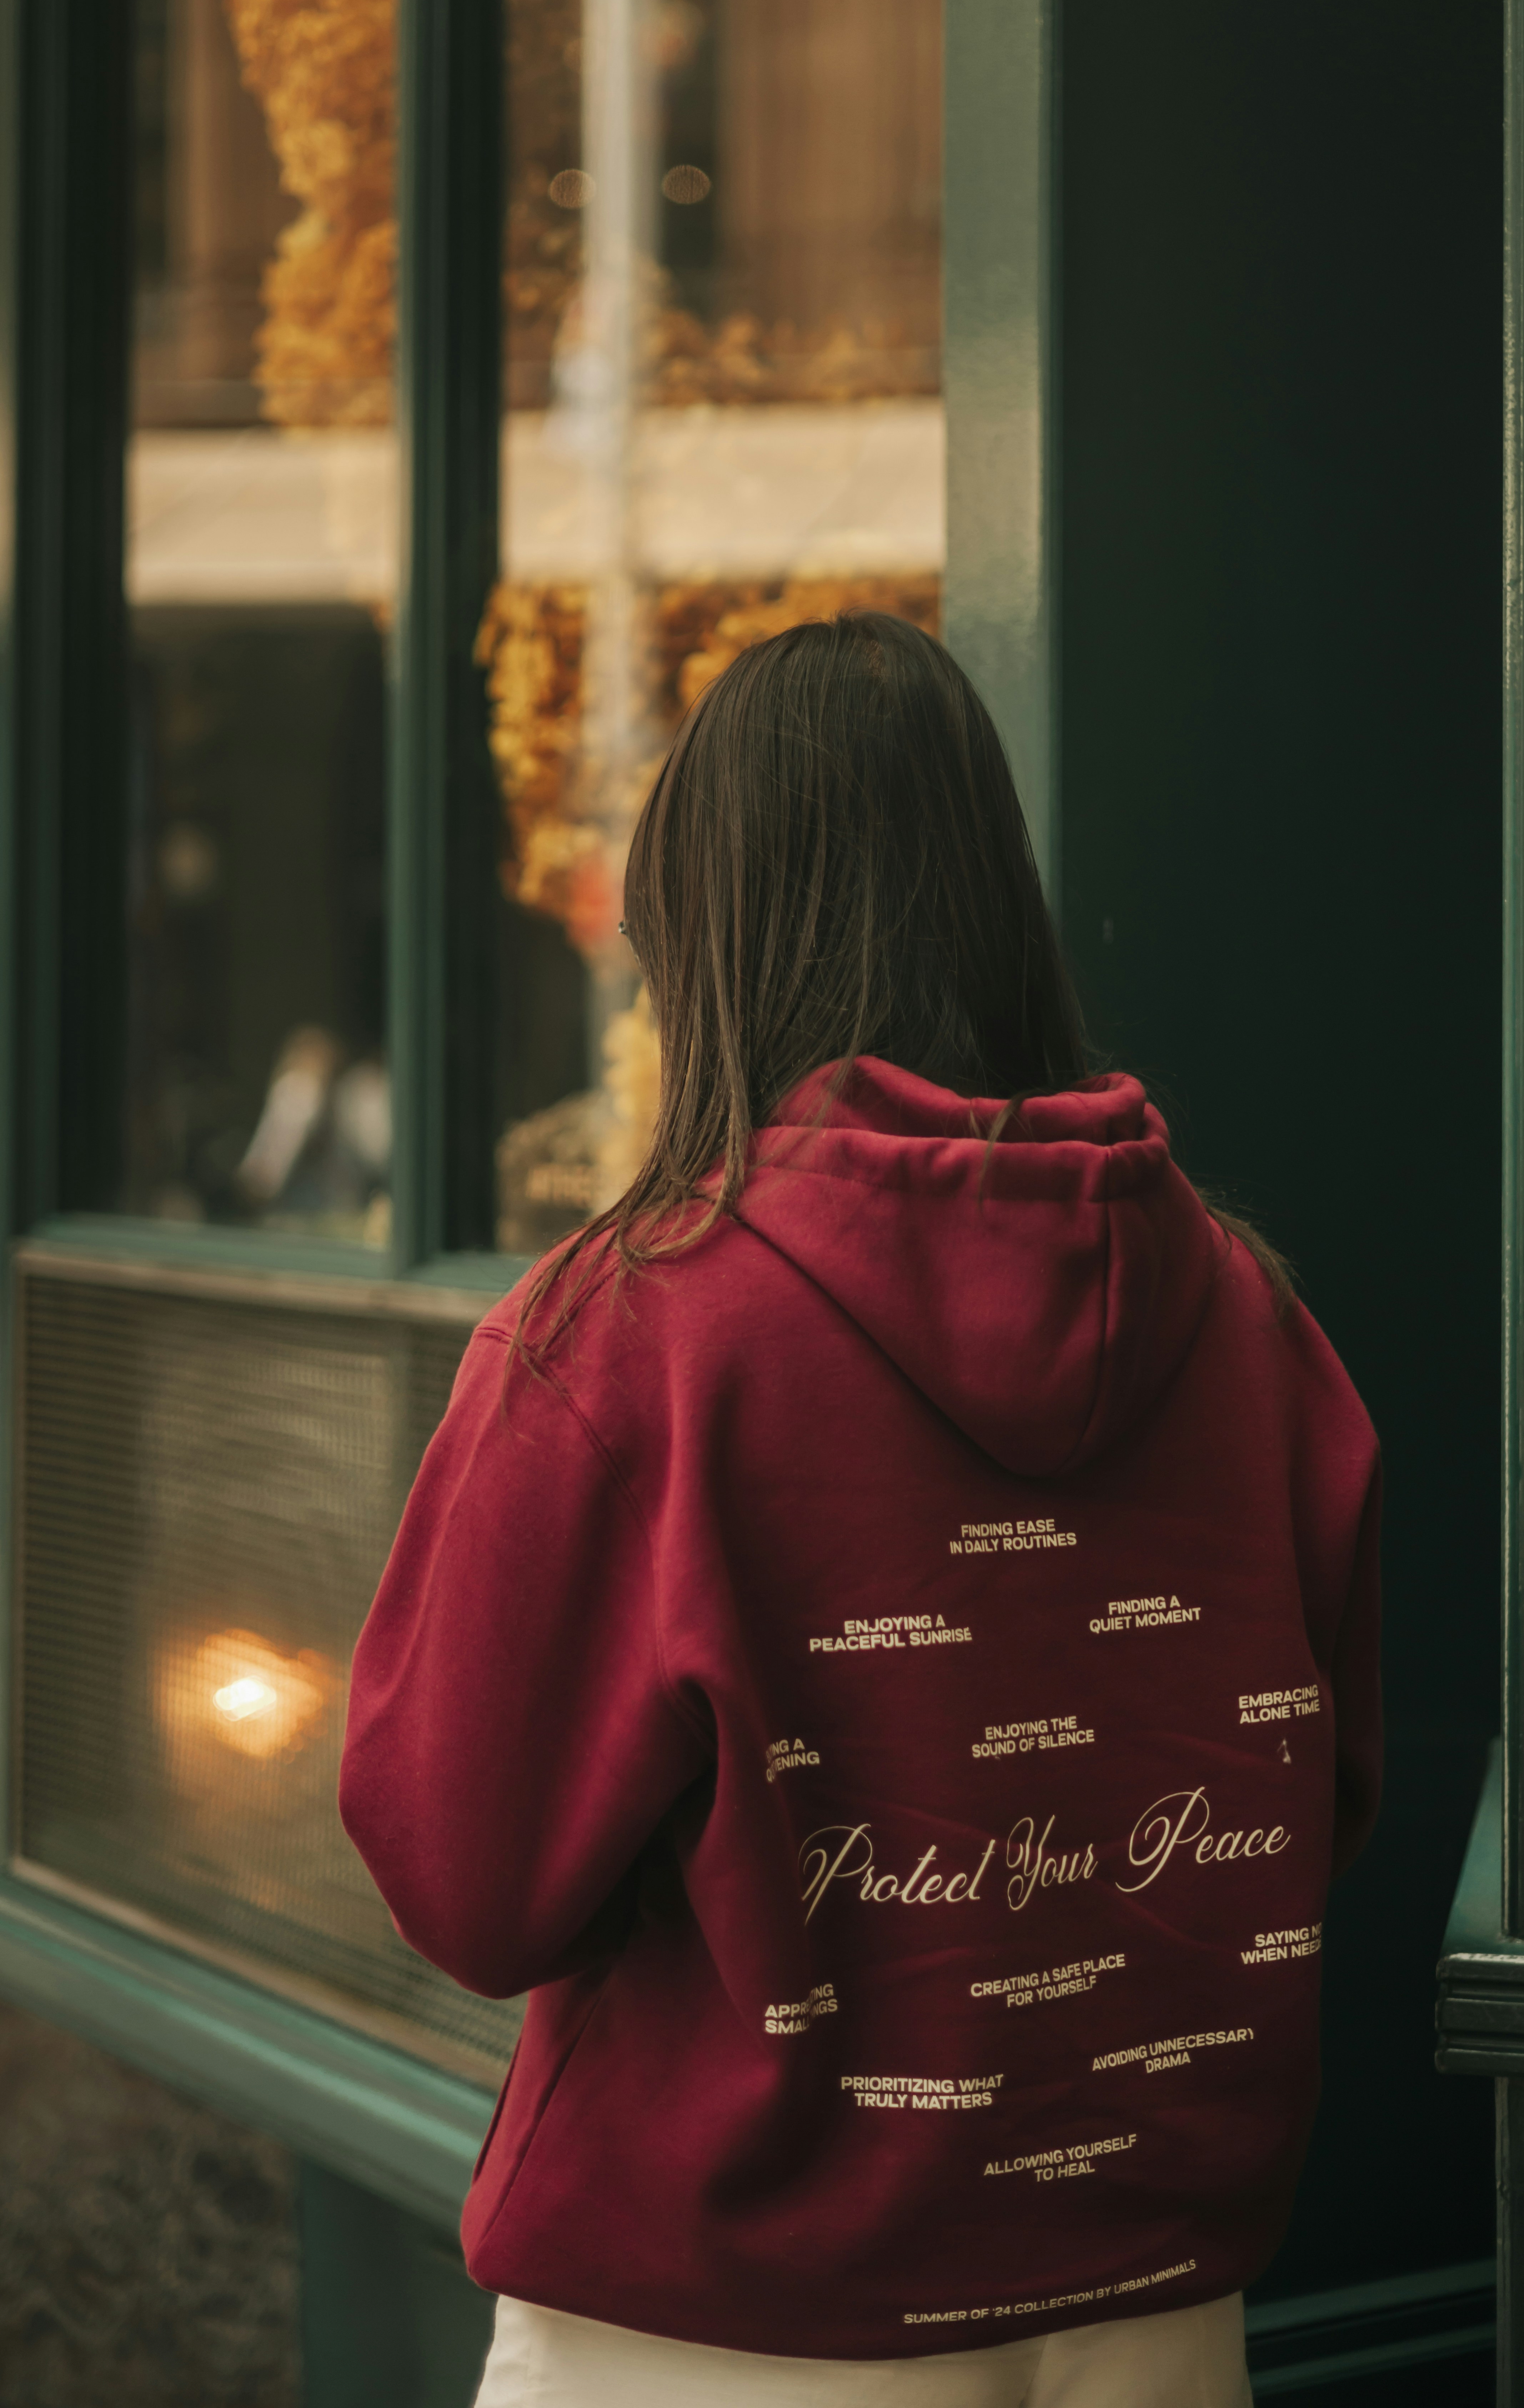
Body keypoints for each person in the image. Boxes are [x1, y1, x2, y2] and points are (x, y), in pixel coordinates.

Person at [340, 612, 1381, 2408]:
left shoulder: (629, 1336)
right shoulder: (1254, 1322)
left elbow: (464, 1876)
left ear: (704, 940)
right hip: (1156, 2309)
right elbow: (1324, 1793)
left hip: (721, 2323)